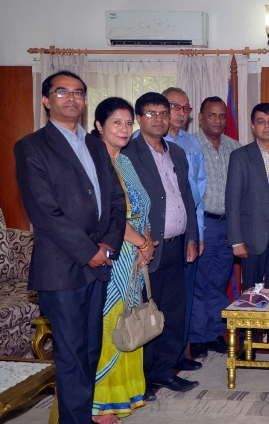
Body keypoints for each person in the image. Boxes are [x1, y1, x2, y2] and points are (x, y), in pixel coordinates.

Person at [14, 71, 126, 424]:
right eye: (62, 92)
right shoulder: (31, 146)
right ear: (46, 100)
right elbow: (44, 211)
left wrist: (107, 244)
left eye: (78, 92)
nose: (71, 98)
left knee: (90, 350)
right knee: (72, 353)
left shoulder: (95, 144)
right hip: (62, 267)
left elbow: (115, 200)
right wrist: (88, 251)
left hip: (99, 263)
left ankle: (78, 417)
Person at [121, 92, 199, 401]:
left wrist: (191, 238)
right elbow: (127, 204)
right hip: (147, 248)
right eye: (151, 113)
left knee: (173, 313)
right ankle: (143, 378)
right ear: (139, 118)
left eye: (163, 113)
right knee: (146, 314)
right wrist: (142, 242)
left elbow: (186, 198)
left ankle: (165, 371)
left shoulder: (176, 152)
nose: (159, 118)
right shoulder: (128, 153)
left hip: (177, 246)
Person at [90, 97, 154, 423]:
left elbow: (142, 207)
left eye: (129, 123)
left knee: (130, 326)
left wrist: (147, 245)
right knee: (109, 329)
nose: (125, 128)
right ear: (99, 126)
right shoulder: (95, 163)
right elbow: (111, 216)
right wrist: (141, 243)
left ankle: (122, 398)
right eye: (117, 122)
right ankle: (101, 407)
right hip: (112, 257)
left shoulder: (125, 161)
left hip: (134, 258)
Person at [226, 103, 269, 361]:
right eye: (260, 121)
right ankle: (249, 344)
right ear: (253, 126)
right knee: (251, 291)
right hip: (252, 233)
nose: (266, 126)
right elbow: (232, 201)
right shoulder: (241, 156)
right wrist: (236, 240)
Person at [190, 96, 241, 359]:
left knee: (218, 283)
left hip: (229, 225)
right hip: (204, 224)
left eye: (222, 116)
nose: (218, 120)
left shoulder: (235, 147)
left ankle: (213, 334)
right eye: (212, 115)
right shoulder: (189, 145)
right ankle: (197, 337)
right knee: (199, 283)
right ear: (200, 117)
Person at [161, 87, 208, 372]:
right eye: (175, 106)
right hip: (159, 236)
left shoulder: (191, 143)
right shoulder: (143, 141)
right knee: (161, 300)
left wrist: (197, 234)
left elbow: (197, 194)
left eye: (186, 108)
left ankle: (178, 354)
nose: (181, 112)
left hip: (187, 232)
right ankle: (158, 362)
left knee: (185, 298)